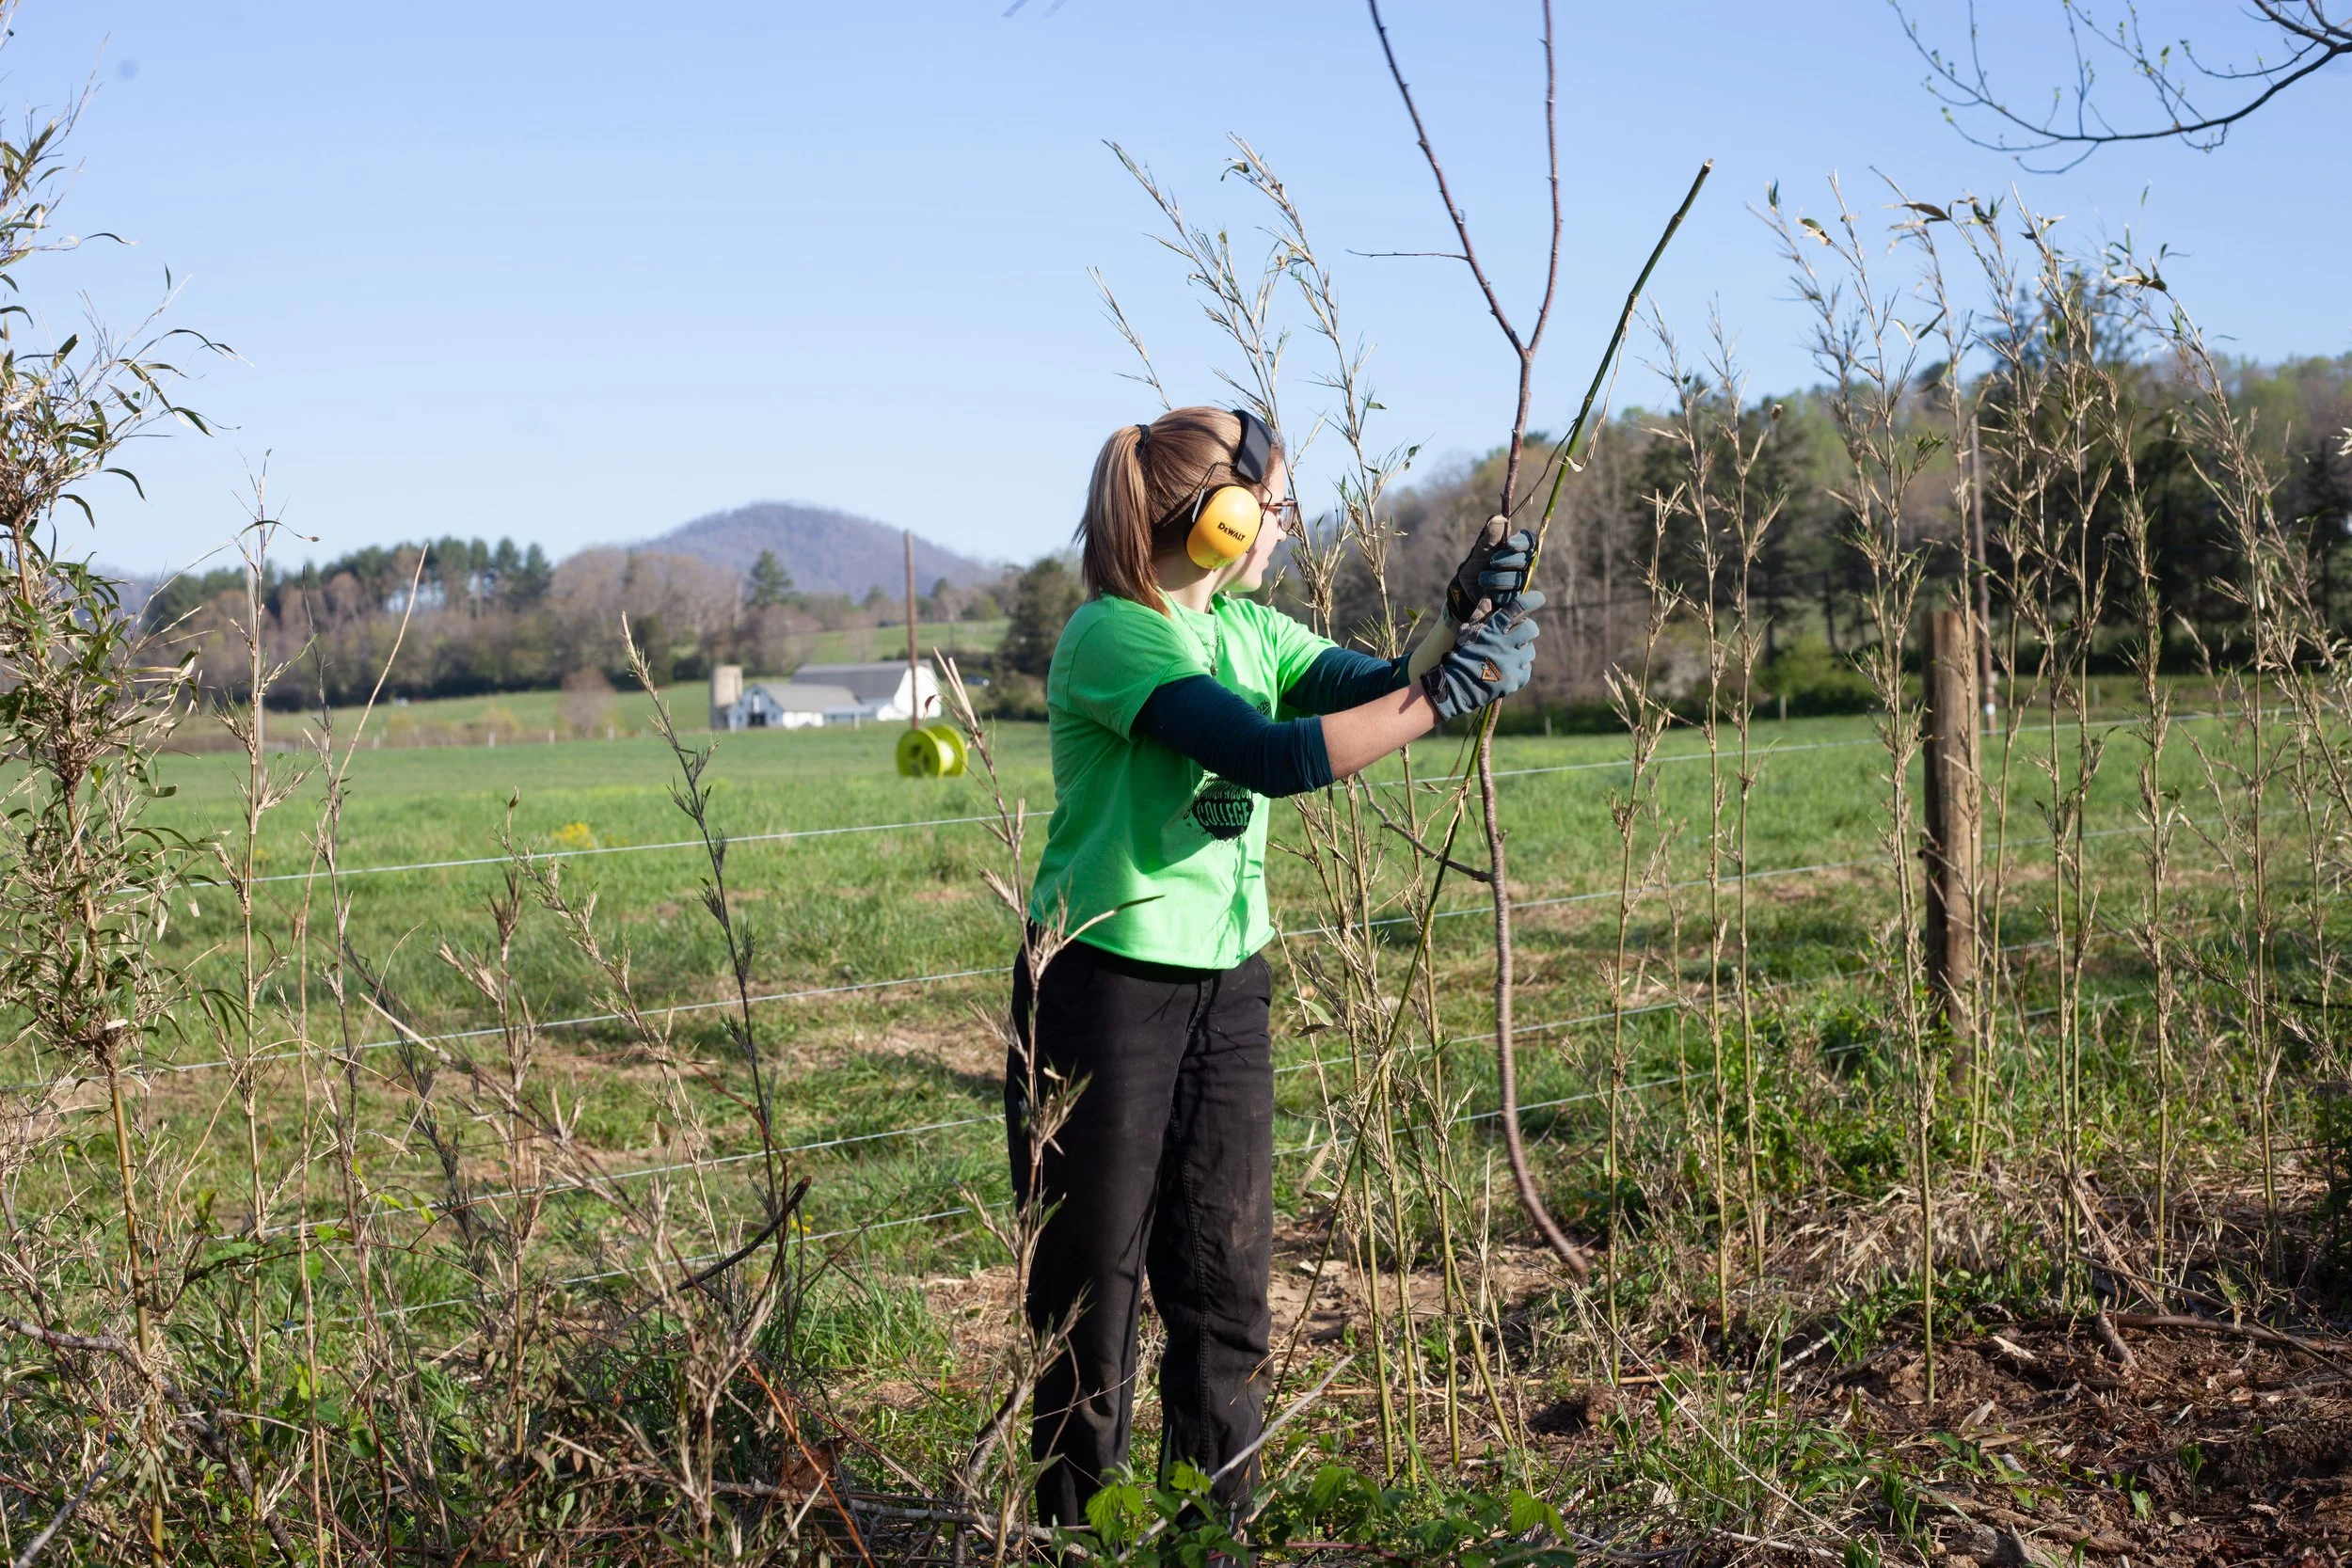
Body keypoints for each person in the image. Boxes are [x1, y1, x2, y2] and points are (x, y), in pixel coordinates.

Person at [1009, 404, 1542, 1528]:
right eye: (1280, 505)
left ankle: (1209, 1542)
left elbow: (1374, 683)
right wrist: (1437, 700)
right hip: (1104, 989)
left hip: (1226, 991)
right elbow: (1271, 752)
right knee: (1086, 1308)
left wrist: (1460, 621)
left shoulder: (1252, 634)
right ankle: (1078, 1543)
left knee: (1225, 1293)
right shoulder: (1116, 634)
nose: (1287, 528)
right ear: (1219, 515)